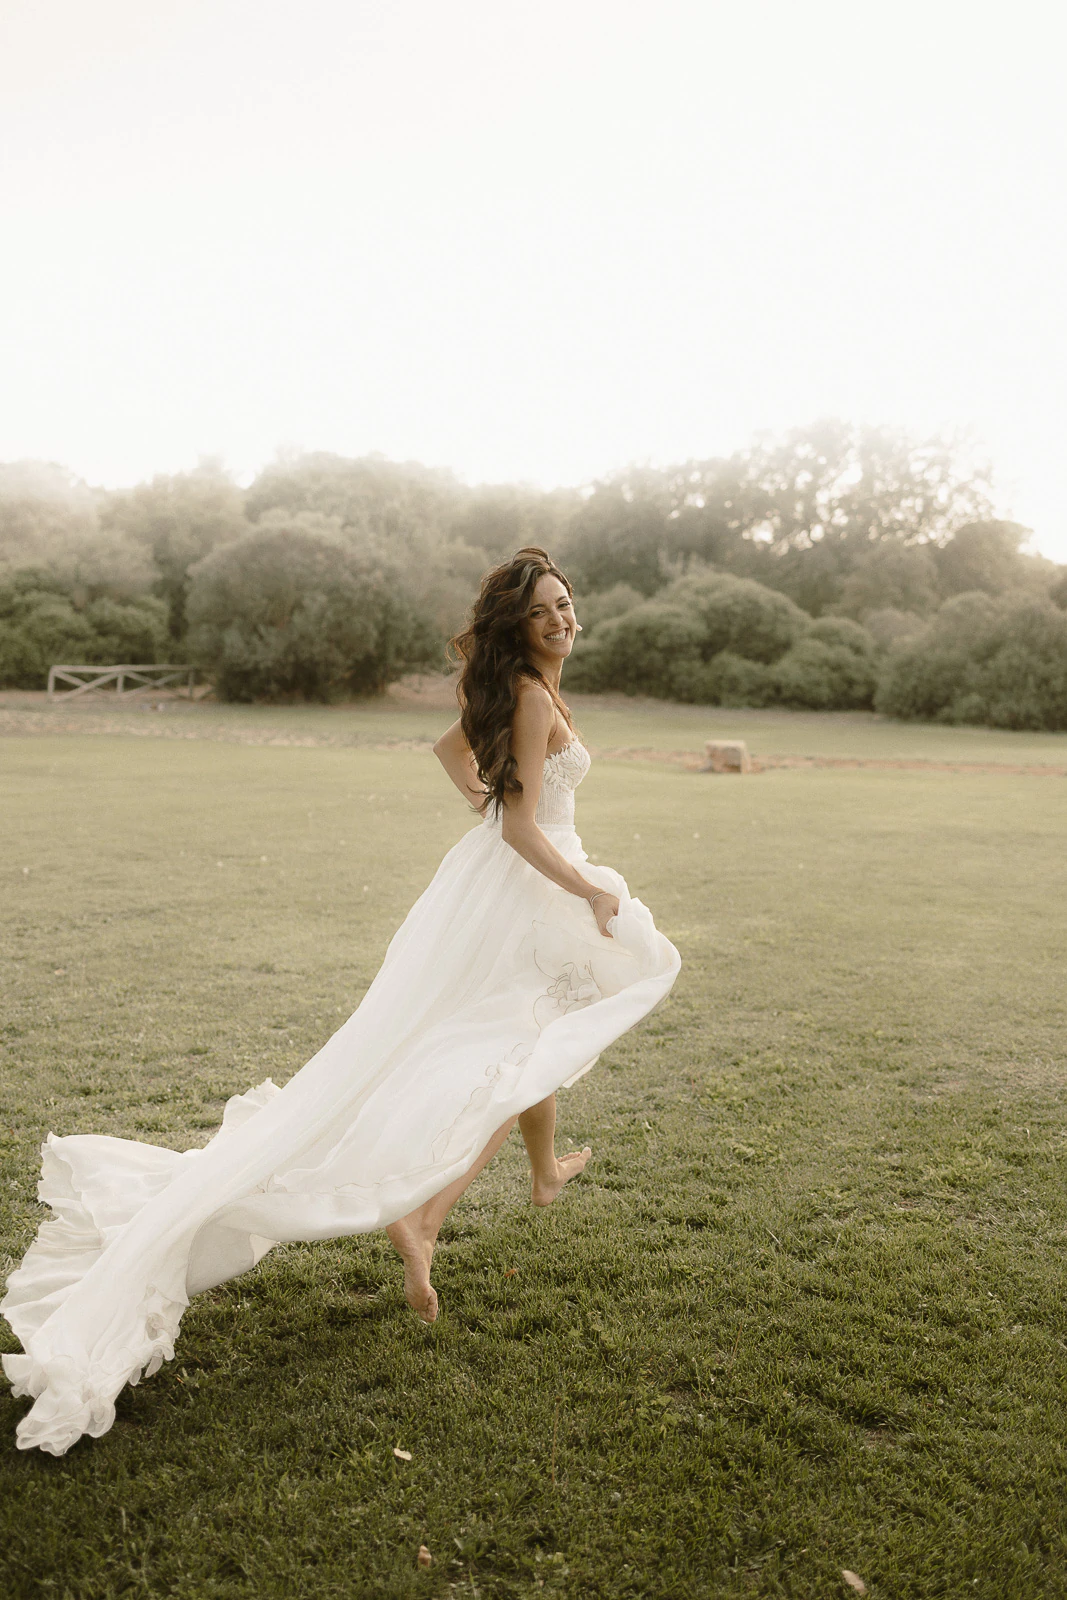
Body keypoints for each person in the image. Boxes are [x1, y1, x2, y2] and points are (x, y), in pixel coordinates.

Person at [2, 547, 680, 1456]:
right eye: (545, 610)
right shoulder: (525, 693)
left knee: (535, 1038)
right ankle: (432, 1209)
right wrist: (584, 887)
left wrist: (500, 826)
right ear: (516, 628)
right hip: (529, 882)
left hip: (514, 879)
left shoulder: (535, 688)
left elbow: (458, 761)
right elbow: (519, 822)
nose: (563, 618)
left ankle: (531, 1176)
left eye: (566, 603)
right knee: (529, 1038)